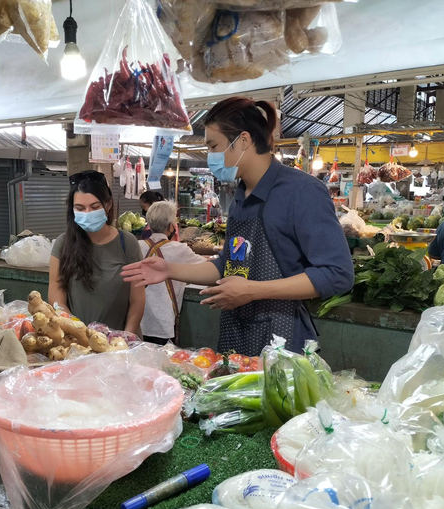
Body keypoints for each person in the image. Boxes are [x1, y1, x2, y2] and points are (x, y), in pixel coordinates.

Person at [123, 97, 354, 355]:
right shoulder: (241, 197)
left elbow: (337, 273)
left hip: (283, 339)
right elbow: (229, 265)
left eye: (213, 146)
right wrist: (169, 269)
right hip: (237, 333)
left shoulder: (302, 192)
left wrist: (252, 291)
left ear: (243, 140)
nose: (210, 157)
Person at [49, 170, 145, 334]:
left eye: (94, 207)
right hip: (79, 343)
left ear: (108, 205)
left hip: (121, 344)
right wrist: (80, 334)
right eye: (80, 208)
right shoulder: (63, 244)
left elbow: (137, 300)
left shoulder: (127, 243)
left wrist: (126, 337)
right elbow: (56, 300)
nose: (87, 213)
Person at [140, 201, 207, 344]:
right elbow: (207, 267)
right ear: (171, 227)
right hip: (163, 325)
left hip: (137, 322)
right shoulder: (180, 250)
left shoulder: (137, 246)